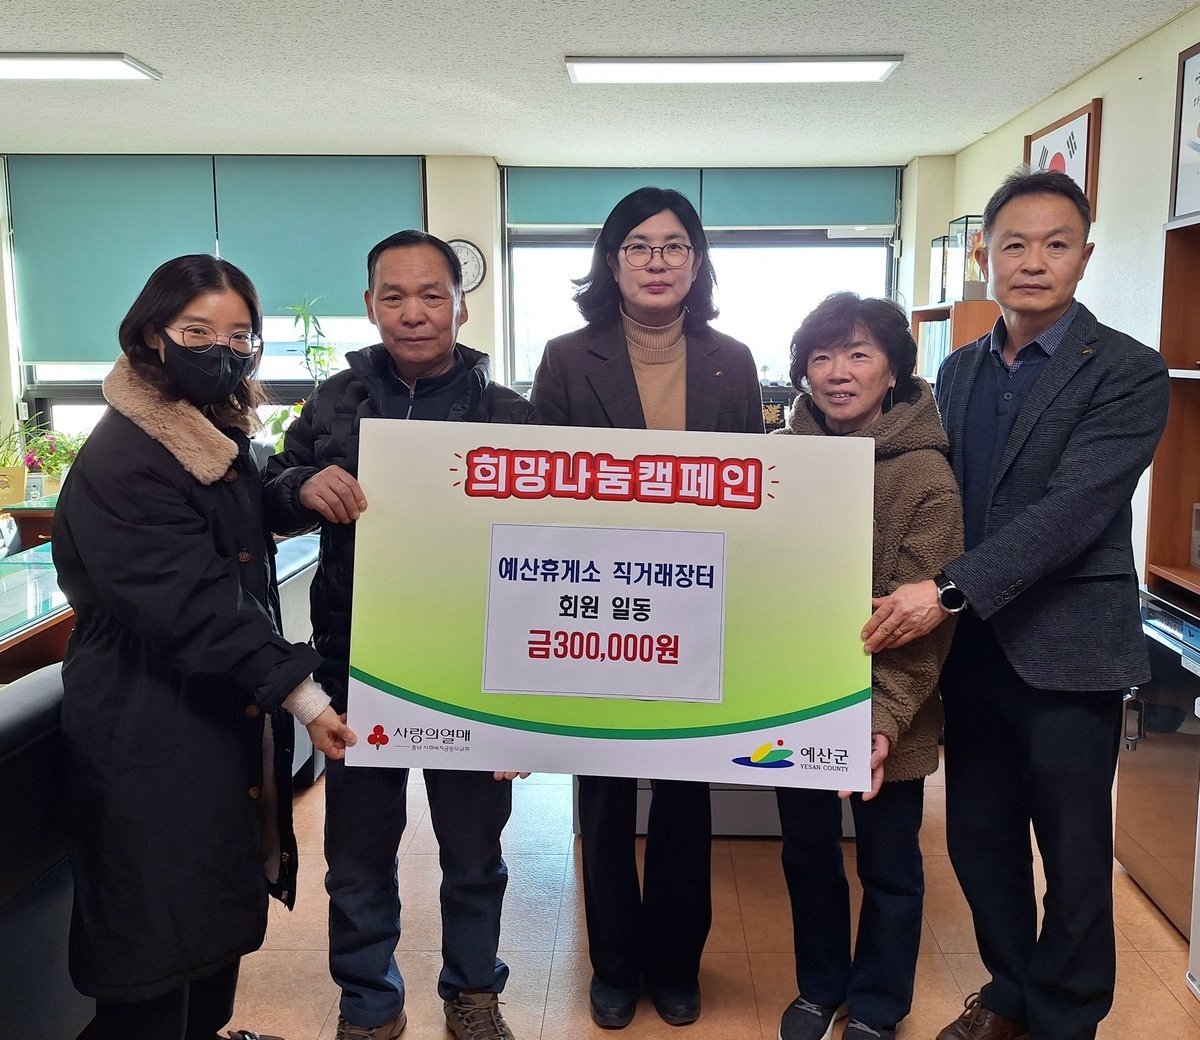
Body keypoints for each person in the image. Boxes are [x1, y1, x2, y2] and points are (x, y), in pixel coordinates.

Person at [863, 168, 1170, 1040]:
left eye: (1056, 244)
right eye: (1015, 245)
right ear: (983, 256)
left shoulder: (1128, 371)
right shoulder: (957, 369)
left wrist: (945, 589)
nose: (1034, 262)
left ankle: (1065, 1021)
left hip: (1068, 652)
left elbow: (1073, 511)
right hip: (972, 654)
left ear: (1085, 257)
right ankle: (1009, 995)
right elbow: (933, 492)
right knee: (979, 841)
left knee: (1073, 859)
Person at [52, 254, 356, 1040]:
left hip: (206, 720)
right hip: (144, 728)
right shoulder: (126, 456)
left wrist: (294, 491)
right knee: (151, 955)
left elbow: (237, 518)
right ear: (152, 335)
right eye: (197, 332)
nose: (223, 350)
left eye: (240, 335)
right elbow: (190, 605)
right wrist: (304, 694)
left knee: (208, 928)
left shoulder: (205, 434)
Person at [264, 230, 535, 1040]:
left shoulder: (510, 415)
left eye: (431, 295)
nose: (413, 313)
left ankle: (473, 993)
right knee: (357, 858)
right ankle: (369, 1004)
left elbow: (550, 557)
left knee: (474, 856)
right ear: (370, 305)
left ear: (460, 305)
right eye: (394, 296)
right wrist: (300, 484)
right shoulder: (333, 402)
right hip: (357, 667)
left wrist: (531, 706)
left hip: (471, 672)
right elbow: (269, 492)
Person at [531, 186, 764, 1029]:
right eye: (638, 246)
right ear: (611, 261)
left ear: (696, 263)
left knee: (685, 793)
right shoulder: (566, 358)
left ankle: (675, 963)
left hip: (695, 608)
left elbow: (753, 487)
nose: (657, 261)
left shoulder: (732, 359)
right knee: (601, 794)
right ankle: (614, 963)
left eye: (673, 246)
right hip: (601, 608)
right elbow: (543, 488)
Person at [771, 293, 962, 1040]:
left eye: (859, 355)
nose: (838, 372)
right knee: (807, 853)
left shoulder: (927, 475)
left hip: (895, 713)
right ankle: (820, 987)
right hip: (794, 705)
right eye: (821, 357)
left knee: (889, 864)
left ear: (893, 370)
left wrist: (880, 721)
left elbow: (925, 626)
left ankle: (879, 1004)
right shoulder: (777, 461)